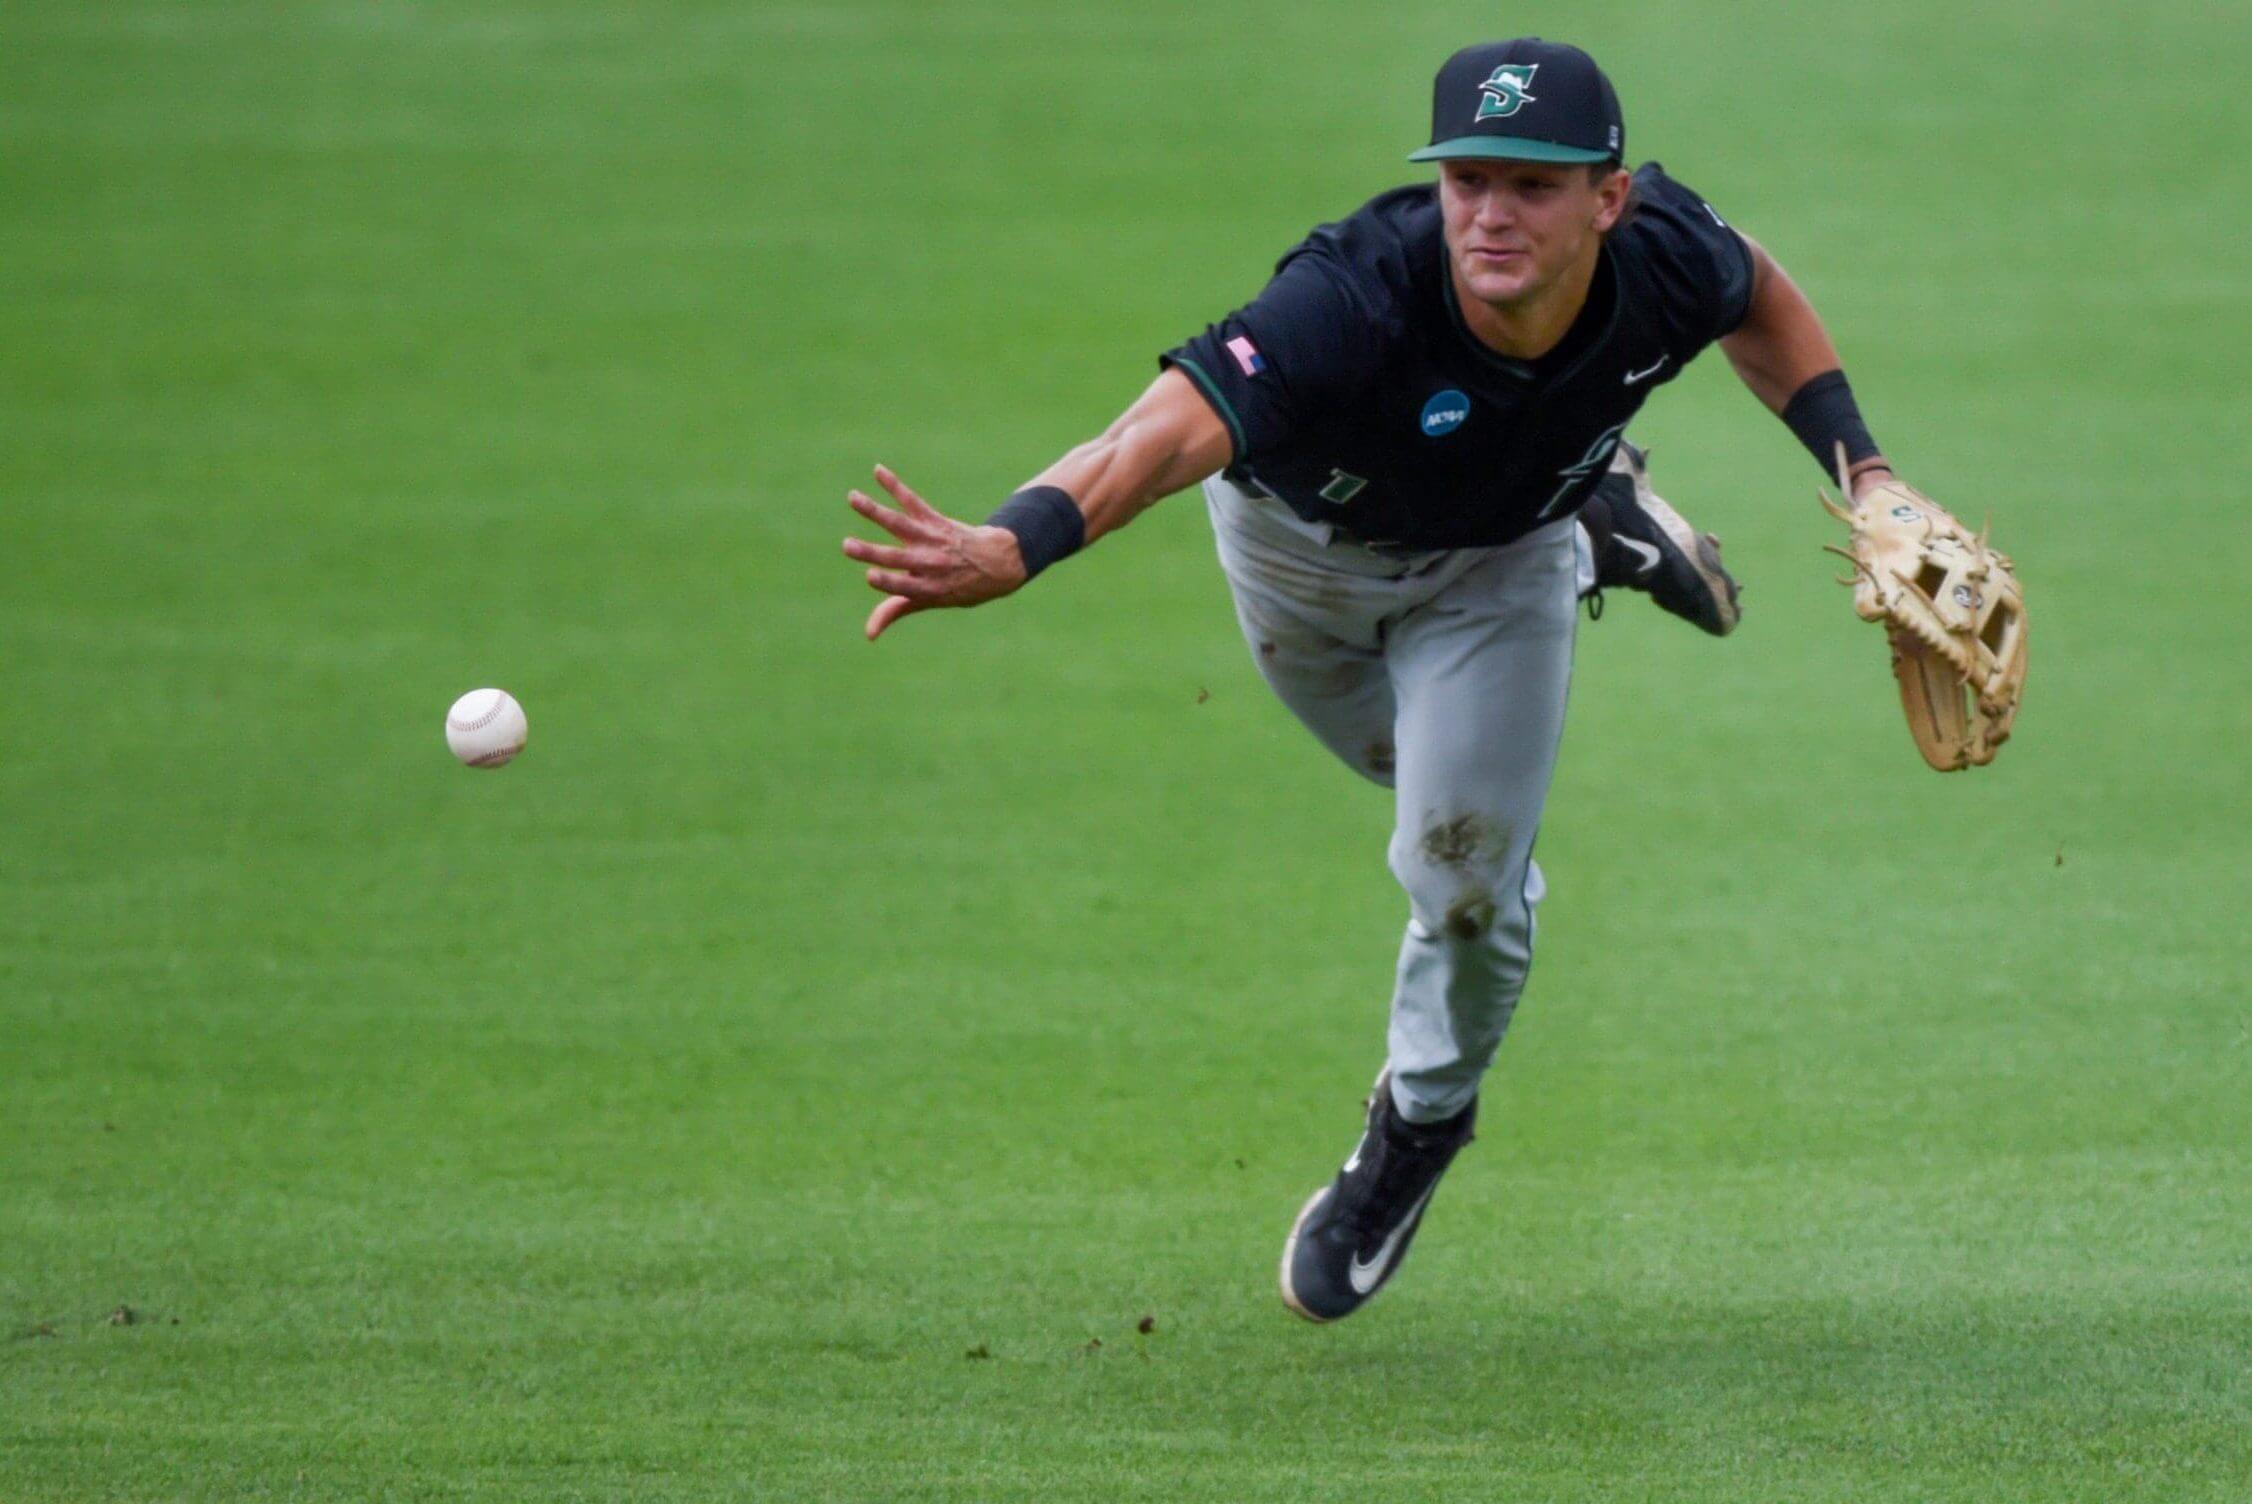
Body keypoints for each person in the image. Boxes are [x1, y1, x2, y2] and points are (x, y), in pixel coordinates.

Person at [841, 38, 1903, 1322]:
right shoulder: (1354, 292)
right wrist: (1022, 538)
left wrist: (1867, 473)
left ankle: (1415, 1126)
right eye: (1467, 179)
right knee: (1414, 791)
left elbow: (1758, 293)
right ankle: (1596, 519)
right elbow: (1156, 431)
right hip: (1302, 570)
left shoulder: (1664, 253)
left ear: (1606, 199)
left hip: (1492, 572)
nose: (1490, 214)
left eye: (1532, 183)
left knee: (1462, 877)